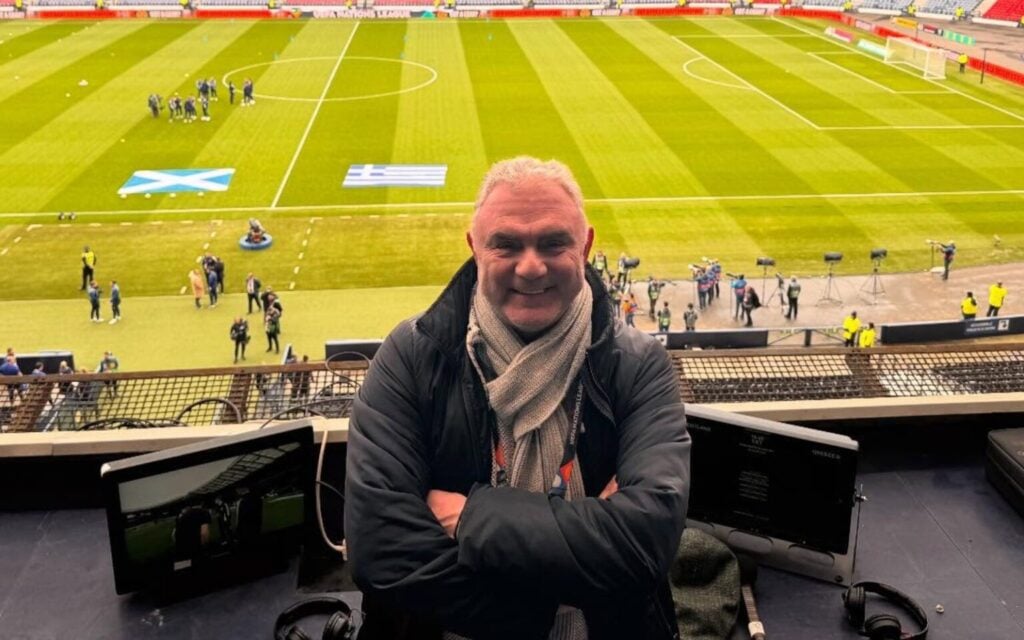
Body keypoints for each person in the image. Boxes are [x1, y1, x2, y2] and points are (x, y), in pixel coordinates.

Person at [345, 156, 690, 640]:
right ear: (474, 248)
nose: (531, 267)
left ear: (586, 245)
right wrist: (553, 602)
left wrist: (469, 519)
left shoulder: (638, 364)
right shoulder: (413, 357)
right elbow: (381, 550)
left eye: (553, 243)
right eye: (506, 244)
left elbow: (643, 547)